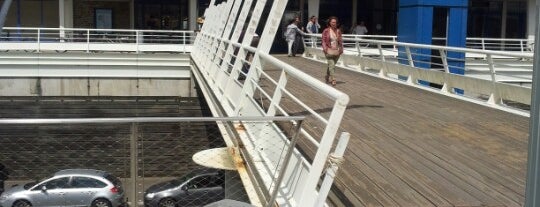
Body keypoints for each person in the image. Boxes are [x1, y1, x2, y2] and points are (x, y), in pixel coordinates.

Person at [322, 16, 343, 86]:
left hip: (337, 51)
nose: (334, 23)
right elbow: (323, 41)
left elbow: (340, 41)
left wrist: (341, 49)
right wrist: (325, 49)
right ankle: (333, 79)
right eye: (332, 22)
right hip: (328, 50)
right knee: (332, 65)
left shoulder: (338, 31)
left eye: (335, 22)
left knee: (331, 65)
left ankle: (327, 76)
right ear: (330, 23)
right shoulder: (326, 31)